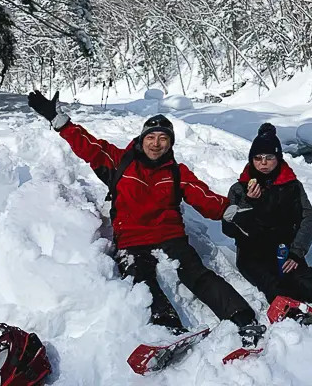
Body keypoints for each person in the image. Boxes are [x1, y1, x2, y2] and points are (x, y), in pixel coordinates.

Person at [27, 89, 264, 346]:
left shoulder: (175, 171)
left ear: (171, 143)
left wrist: (228, 211)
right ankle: (168, 328)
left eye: (164, 138)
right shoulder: (120, 162)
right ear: (142, 139)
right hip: (132, 239)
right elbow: (89, 147)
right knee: (142, 279)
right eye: (151, 137)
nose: (156, 143)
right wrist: (59, 121)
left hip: (170, 235)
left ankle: (243, 318)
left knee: (198, 274)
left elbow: (201, 195)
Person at [222, 123, 312, 329]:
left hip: (284, 249)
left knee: (303, 276)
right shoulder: (239, 189)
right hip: (252, 254)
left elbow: (308, 220)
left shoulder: (292, 186)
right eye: (258, 158)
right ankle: (293, 315)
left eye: (269, 158)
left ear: (278, 158)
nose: (263, 163)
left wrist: (297, 252)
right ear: (251, 160)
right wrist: (248, 202)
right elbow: (228, 229)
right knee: (271, 281)